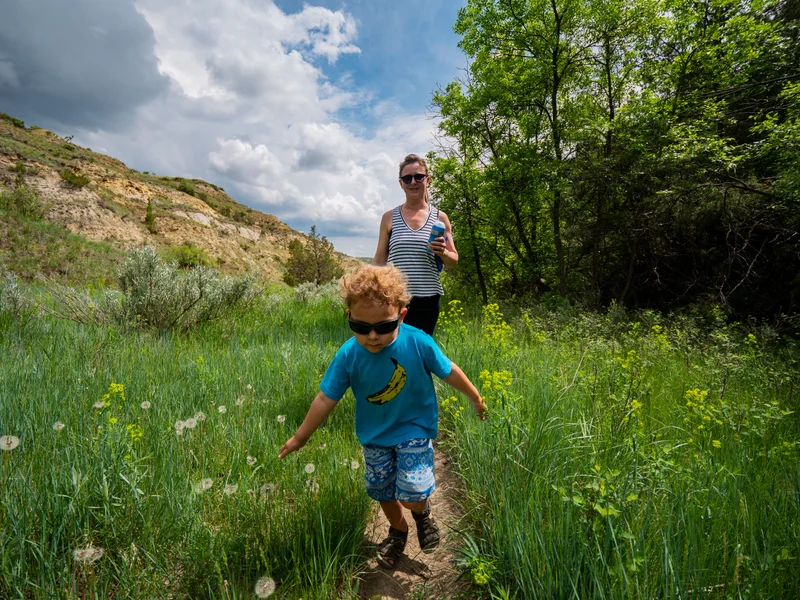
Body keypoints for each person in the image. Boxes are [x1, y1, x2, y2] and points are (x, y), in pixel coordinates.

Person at [279, 264, 487, 569]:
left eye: (383, 326)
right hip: (374, 435)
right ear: (349, 317)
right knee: (382, 490)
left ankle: (421, 512)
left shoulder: (417, 342)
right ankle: (398, 530)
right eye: (361, 328)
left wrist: (475, 397)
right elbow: (326, 398)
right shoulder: (349, 354)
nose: (373, 336)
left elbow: (448, 371)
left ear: (401, 315)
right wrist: (300, 437)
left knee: (412, 491)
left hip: (414, 428)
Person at [372, 154, 458, 336]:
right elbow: (379, 259)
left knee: (421, 352)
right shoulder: (389, 218)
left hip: (428, 301)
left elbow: (454, 260)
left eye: (418, 176)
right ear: (401, 183)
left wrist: (443, 252)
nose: (413, 182)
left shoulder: (440, 218)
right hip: (395, 298)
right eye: (407, 178)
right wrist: (370, 290)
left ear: (428, 180)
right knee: (394, 350)